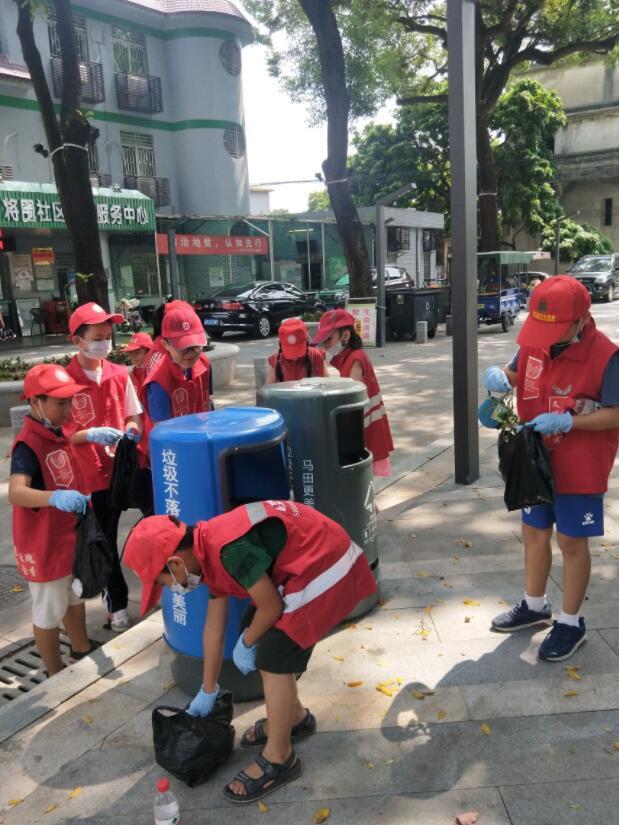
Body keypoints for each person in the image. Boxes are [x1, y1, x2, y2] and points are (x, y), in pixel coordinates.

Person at [124, 500, 376, 804]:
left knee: (273, 653)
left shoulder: (227, 550)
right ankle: (294, 718)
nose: (169, 588)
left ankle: (280, 757)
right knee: (255, 630)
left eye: (163, 583)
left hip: (328, 561)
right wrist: (208, 689)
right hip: (307, 560)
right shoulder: (206, 549)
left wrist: (246, 643)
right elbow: (214, 629)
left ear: (176, 564)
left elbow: (271, 607)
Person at [484, 275, 619, 661]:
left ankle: (571, 622)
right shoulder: (534, 340)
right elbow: (515, 373)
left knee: (572, 542)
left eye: (557, 328)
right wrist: (500, 382)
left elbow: (616, 413)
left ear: (582, 319)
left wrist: (569, 422)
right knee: (534, 531)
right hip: (533, 458)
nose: (547, 338)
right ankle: (534, 605)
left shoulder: (607, 357)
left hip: (580, 465)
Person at [9, 364, 94, 676]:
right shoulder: (27, 444)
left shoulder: (57, 430)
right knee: (49, 608)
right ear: (36, 402)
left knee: (73, 594)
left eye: (70, 401)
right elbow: (17, 492)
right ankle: (54, 673)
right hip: (44, 542)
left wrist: (95, 434)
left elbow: (72, 440)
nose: (68, 409)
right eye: (60, 403)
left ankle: (80, 648)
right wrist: (54, 497)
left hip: (67, 533)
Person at [63, 302, 143, 632]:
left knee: (115, 535)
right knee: (104, 540)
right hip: (85, 478)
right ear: (77, 341)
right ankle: (117, 606)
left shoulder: (118, 374)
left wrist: (131, 433)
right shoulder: (64, 381)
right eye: (97, 337)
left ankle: (123, 598)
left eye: (108, 336)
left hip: (118, 472)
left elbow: (133, 415)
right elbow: (61, 433)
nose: (105, 343)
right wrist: (90, 434)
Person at [312, 308, 394, 476]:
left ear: (346, 335)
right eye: (323, 341)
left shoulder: (355, 359)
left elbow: (349, 399)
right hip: (362, 430)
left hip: (363, 432)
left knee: (362, 479)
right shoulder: (349, 357)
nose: (325, 345)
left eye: (329, 339)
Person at [141, 304, 212, 423]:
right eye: (183, 347)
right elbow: (162, 427)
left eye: (196, 345)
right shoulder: (159, 380)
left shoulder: (204, 364)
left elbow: (208, 402)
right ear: (165, 345)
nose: (191, 353)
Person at [266, 318, 327, 383]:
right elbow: (268, 387)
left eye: (299, 350)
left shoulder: (316, 356)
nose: (295, 358)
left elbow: (328, 384)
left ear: (307, 340)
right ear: (281, 344)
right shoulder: (275, 360)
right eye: (290, 351)